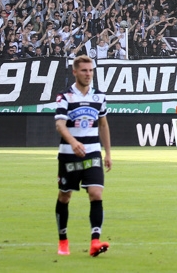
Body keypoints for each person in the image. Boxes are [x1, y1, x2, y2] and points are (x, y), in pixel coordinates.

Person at [54, 55, 112, 257]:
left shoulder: (99, 97)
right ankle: (63, 240)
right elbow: (60, 125)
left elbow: (103, 125)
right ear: (75, 72)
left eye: (91, 70)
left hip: (92, 154)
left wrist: (108, 153)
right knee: (65, 196)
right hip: (69, 156)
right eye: (84, 70)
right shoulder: (65, 97)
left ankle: (95, 241)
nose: (88, 74)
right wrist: (73, 142)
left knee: (96, 193)